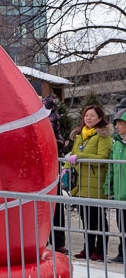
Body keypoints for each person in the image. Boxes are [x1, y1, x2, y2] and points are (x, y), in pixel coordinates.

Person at [63, 105, 112, 261]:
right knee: (85, 219)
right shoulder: (79, 136)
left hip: (96, 182)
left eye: (92, 115)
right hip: (81, 184)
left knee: (98, 219)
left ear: (99, 118)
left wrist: (82, 156)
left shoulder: (103, 135)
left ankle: (100, 250)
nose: (88, 118)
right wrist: (65, 168)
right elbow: (73, 155)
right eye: (86, 115)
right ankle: (88, 248)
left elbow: (103, 157)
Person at [44, 95, 69, 255]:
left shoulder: (54, 119)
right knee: (47, 205)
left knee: (55, 204)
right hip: (43, 164)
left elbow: (57, 139)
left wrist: (55, 143)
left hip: (51, 165)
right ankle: (48, 240)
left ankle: (58, 241)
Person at [105, 108, 126, 263]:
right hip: (119, 194)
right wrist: (109, 188)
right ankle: (122, 252)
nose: (117, 126)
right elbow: (111, 169)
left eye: (120, 122)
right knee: (121, 226)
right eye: (116, 123)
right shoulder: (117, 144)